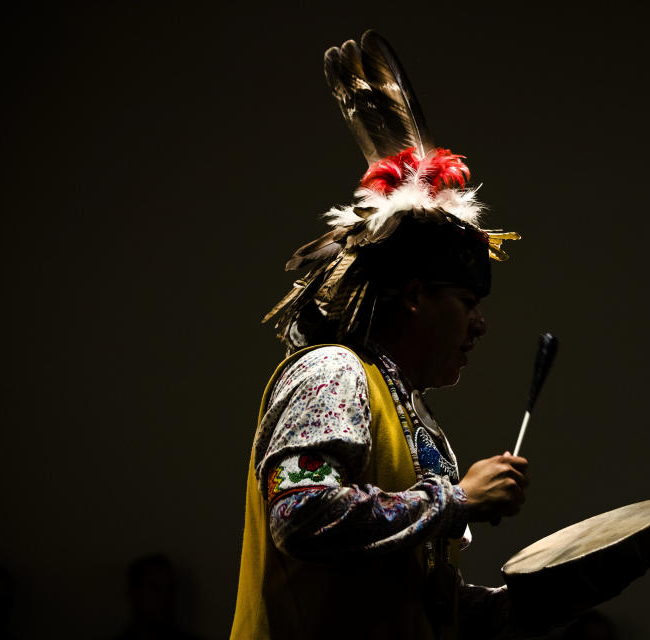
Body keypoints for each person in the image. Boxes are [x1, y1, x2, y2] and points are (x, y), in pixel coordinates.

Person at [230, 31, 528, 640]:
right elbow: (302, 513)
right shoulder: (333, 373)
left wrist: (532, 601)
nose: (480, 324)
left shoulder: (403, 409)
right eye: (467, 302)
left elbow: (404, 602)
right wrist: (457, 502)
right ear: (415, 296)